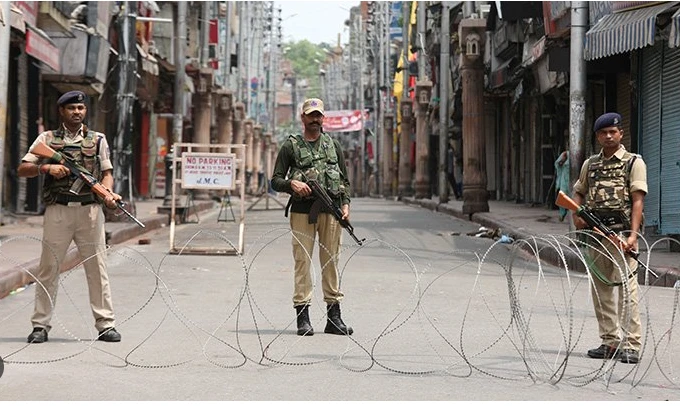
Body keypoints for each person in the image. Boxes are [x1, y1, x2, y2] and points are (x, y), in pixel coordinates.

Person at [17, 90, 122, 344]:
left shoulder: (98, 139)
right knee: (49, 268)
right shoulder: (47, 139)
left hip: (90, 211)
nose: (77, 112)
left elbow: (106, 172)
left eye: (81, 108)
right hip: (59, 211)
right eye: (72, 108)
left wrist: (107, 192)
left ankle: (106, 324)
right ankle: (40, 325)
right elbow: (23, 168)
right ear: (62, 111)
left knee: (97, 269)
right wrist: (47, 167)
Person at [271, 98, 354, 337]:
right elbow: (275, 180)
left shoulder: (333, 145)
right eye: (311, 115)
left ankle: (334, 317)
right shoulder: (291, 146)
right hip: (301, 211)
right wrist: (292, 184)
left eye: (319, 115)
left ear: (323, 118)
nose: (315, 120)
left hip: (332, 211)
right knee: (303, 262)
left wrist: (346, 205)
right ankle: (302, 317)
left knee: (331, 262)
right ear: (303, 118)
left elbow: (345, 181)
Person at [572, 112, 646, 364]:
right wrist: (577, 216)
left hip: (622, 234)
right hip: (596, 235)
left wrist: (633, 236)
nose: (608, 136)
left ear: (621, 133)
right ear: (597, 136)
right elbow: (578, 193)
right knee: (601, 289)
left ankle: (631, 344)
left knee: (627, 289)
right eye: (603, 133)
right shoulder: (590, 164)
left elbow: (638, 200)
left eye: (613, 131)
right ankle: (610, 341)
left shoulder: (634, 162)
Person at [554, 148, 569, 221]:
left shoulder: (576, 155)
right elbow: (557, 164)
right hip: (564, 181)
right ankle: (562, 213)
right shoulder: (565, 154)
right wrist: (562, 160)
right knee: (562, 197)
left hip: (573, 181)